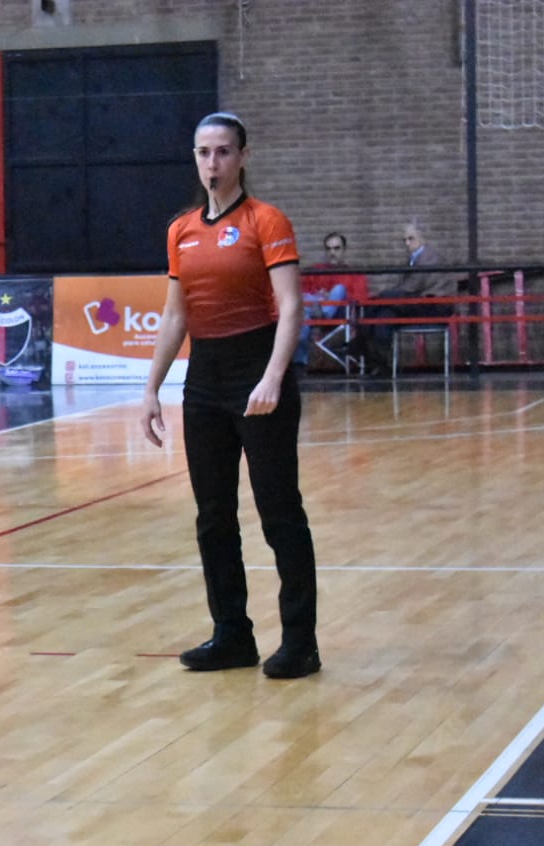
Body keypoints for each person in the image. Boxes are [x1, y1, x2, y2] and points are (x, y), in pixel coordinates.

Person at [141, 112, 320, 680]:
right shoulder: (181, 230)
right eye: (203, 152)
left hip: (258, 367)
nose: (212, 162)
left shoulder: (267, 220)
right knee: (213, 516)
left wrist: (272, 377)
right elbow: (176, 315)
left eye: (222, 151)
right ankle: (232, 636)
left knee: (279, 511)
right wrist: (151, 388)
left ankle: (300, 643)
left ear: (243, 157)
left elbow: (291, 306)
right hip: (205, 380)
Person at [354, 220, 450, 374]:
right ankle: (380, 363)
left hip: (432, 306)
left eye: (411, 239)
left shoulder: (428, 257)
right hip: (416, 303)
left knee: (382, 300)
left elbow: (411, 287)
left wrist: (385, 297)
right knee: (384, 316)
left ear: (422, 238)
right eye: (404, 239)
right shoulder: (414, 258)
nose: (407, 243)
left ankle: (359, 341)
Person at [295, 231, 366, 368]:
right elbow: (303, 295)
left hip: (340, 314)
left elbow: (359, 301)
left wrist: (331, 296)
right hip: (313, 313)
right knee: (303, 307)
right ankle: (299, 364)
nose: (332, 253)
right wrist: (319, 296)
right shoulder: (315, 271)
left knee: (339, 289)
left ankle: (324, 313)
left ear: (344, 250)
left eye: (336, 248)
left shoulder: (355, 274)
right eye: (328, 249)